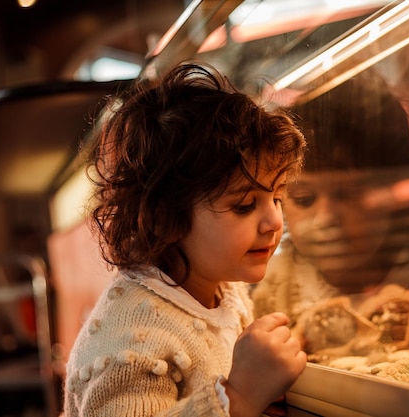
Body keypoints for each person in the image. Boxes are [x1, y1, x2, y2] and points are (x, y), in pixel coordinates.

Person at [63, 63, 308, 417]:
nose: (274, 221)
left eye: (278, 199)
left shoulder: (222, 288)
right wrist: (240, 398)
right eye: (244, 205)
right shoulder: (131, 341)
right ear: (164, 218)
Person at [252, 69, 409, 330]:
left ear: (397, 197)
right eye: (304, 199)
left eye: (350, 196)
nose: (325, 218)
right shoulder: (275, 288)